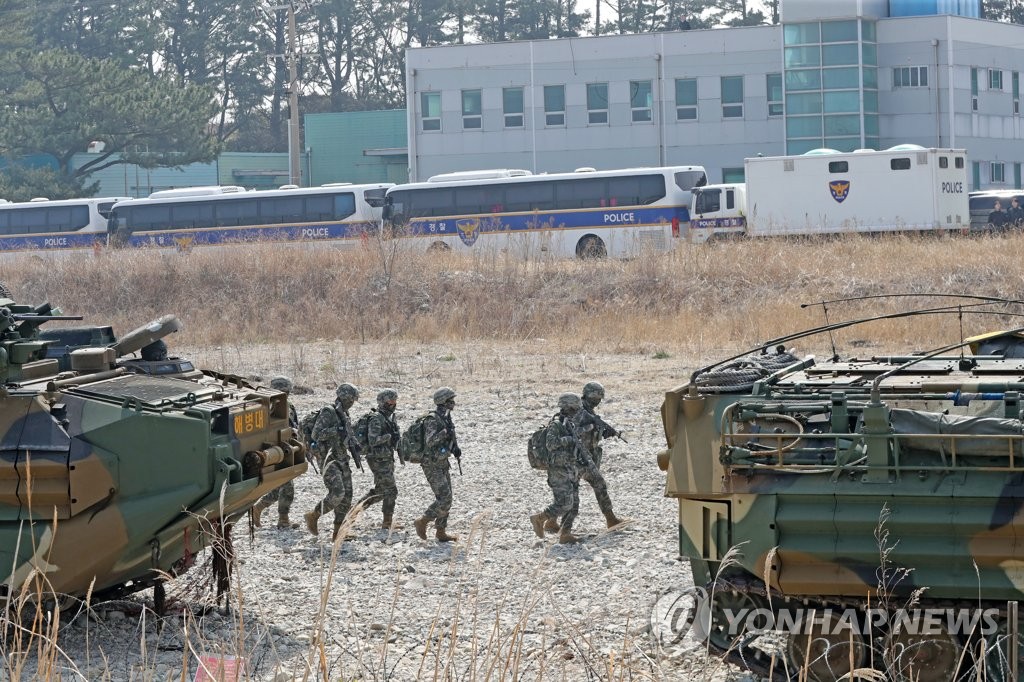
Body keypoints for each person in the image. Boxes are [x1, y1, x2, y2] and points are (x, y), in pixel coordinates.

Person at [529, 393, 594, 544]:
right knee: (563, 503)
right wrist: (569, 439)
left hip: (570, 468)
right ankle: (539, 518)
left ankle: (565, 534)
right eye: (575, 407)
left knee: (574, 503)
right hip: (558, 470)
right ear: (569, 406)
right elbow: (551, 444)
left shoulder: (569, 423)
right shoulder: (556, 425)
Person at [304, 383, 362, 541]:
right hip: (328, 459)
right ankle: (314, 515)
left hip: (342, 457)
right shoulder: (328, 411)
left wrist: (356, 444)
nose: (352, 402)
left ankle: (338, 532)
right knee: (337, 493)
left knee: (347, 496)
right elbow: (317, 434)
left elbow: (348, 434)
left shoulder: (344, 413)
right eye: (351, 399)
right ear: (344, 397)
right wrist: (337, 430)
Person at [413, 387, 461, 543]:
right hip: (431, 464)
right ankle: (423, 520)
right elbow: (430, 440)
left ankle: (441, 531)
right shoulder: (433, 419)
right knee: (444, 498)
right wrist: (445, 433)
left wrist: (455, 448)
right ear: (443, 401)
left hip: (442, 462)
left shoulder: (446, 417)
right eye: (450, 400)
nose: (453, 403)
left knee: (448, 498)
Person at [253, 375, 300, 529]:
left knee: (280, 483)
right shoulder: (268, 406)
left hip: (285, 448)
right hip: (276, 449)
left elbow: (293, 427)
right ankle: (283, 520)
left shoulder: (288, 406)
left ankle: (258, 508)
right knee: (287, 486)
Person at [357, 389, 402, 530]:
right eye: (390, 401)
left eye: (394, 401)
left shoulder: (389, 417)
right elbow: (373, 440)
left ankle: (354, 513)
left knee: (382, 490)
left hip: (386, 458)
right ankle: (385, 521)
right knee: (391, 490)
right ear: (382, 402)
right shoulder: (377, 418)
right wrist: (388, 437)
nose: (393, 404)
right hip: (377, 458)